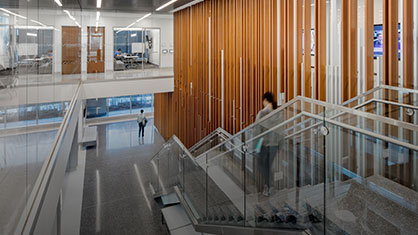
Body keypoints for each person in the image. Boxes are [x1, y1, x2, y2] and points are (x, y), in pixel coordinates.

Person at [255, 92, 280, 197]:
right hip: (275, 143)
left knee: (262, 165)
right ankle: (269, 186)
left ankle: (269, 186)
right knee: (268, 165)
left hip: (265, 143)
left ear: (265, 100)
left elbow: (257, 129)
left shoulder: (262, 113)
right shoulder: (277, 113)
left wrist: (256, 144)